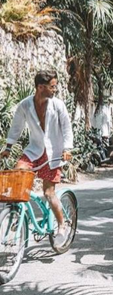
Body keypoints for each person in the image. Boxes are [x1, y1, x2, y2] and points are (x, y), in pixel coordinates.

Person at [0, 70, 73, 248]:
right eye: (52, 86)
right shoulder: (25, 105)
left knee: (49, 193)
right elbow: (16, 127)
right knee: (18, 175)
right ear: (41, 87)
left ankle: (62, 226)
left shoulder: (58, 105)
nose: (55, 89)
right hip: (34, 151)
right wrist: (8, 147)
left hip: (53, 153)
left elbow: (66, 128)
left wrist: (67, 149)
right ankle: (17, 213)